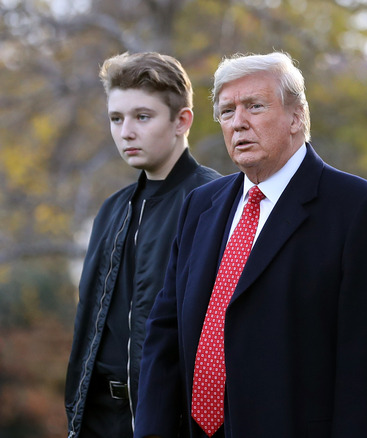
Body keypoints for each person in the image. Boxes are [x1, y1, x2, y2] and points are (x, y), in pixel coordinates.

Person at [133, 52, 367, 438]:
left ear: (297, 116)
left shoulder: (361, 210)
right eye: (227, 111)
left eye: (255, 106)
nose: (238, 123)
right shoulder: (200, 206)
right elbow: (164, 335)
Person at [65, 52, 222, 438]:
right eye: (116, 119)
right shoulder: (112, 209)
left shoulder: (215, 202)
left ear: (181, 121)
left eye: (143, 117)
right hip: (99, 419)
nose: (126, 132)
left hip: (171, 419)